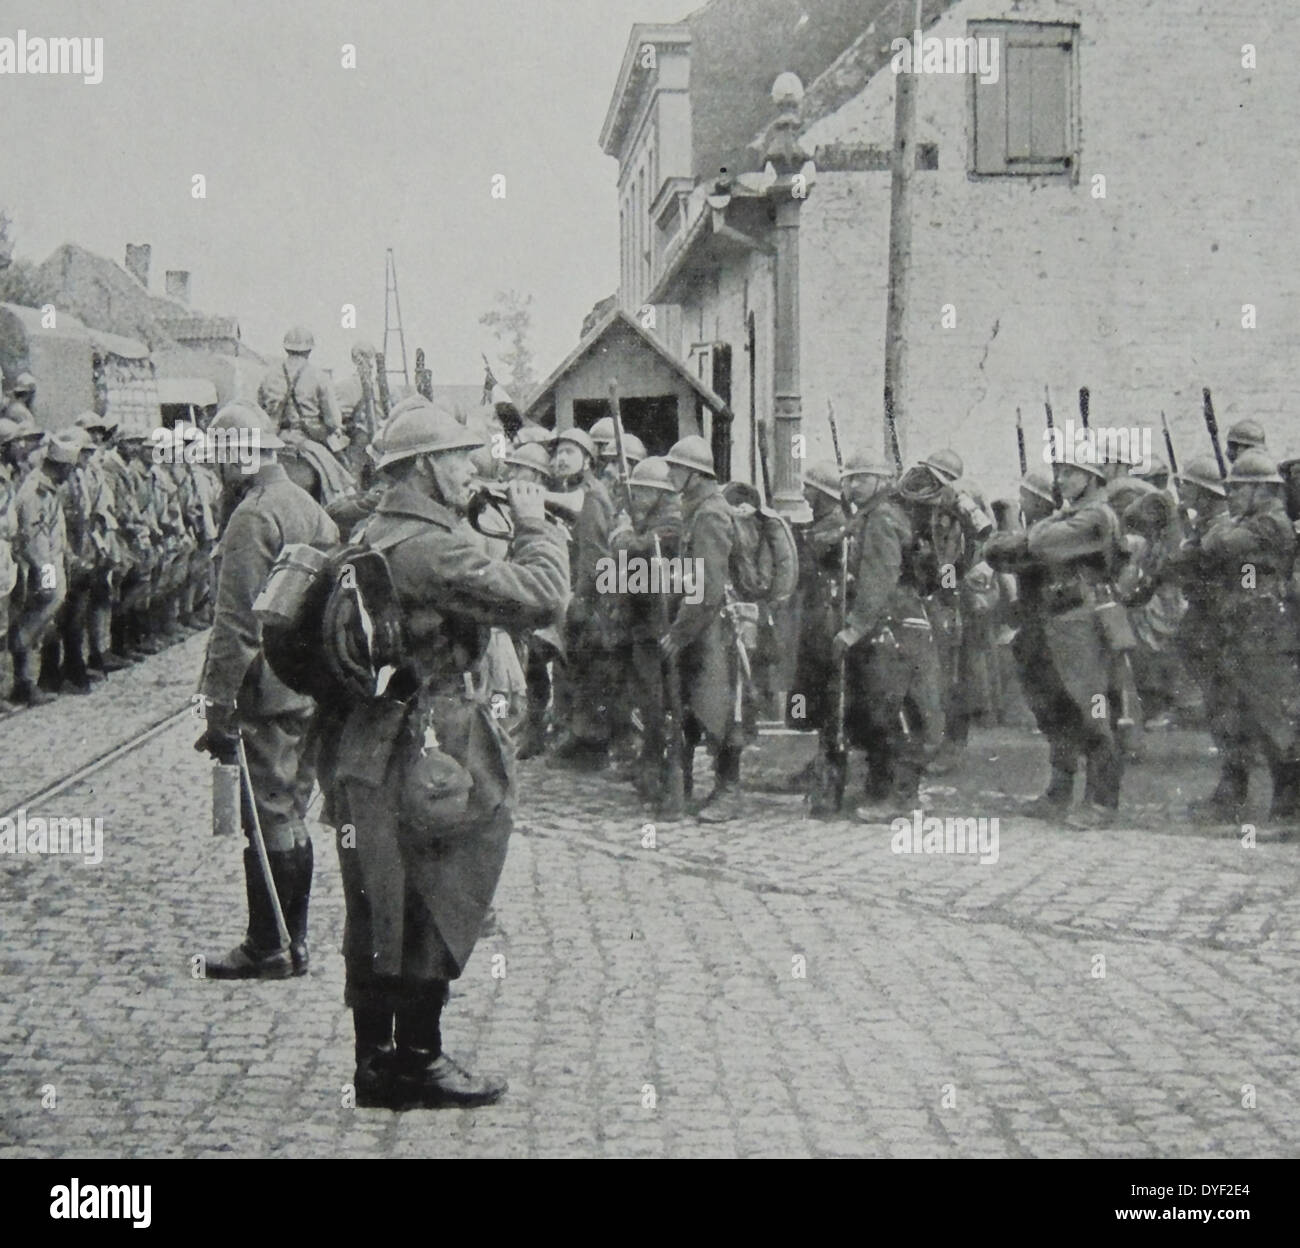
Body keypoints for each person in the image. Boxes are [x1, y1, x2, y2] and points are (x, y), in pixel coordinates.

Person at [318, 397, 569, 1109]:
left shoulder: (381, 529)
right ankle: (418, 1059)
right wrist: (536, 528)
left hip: (374, 738)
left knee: (379, 899)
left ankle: (376, 1062)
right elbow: (540, 598)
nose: (474, 466)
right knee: (443, 891)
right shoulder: (429, 548)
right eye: (460, 457)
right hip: (430, 740)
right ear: (425, 466)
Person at [195, 401, 339, 979]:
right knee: (291, 809)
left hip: (266, 691)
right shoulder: (307, 506)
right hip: (308, 687)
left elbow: (237, 625)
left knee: (267, 816)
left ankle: (268, 945)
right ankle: (293, 942)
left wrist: (217, 704)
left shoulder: (252, 517)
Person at [832, 456, 944, 821]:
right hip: (892, 623)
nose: (853, 486)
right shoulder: (878, 514)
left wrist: (855, 628)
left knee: (895, 710)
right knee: (881, 708)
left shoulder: (881, 517)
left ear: (882, 480)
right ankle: (882, 790)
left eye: (862, 479)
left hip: (892, 624)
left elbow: (879, 578)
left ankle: (901, 797)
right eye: (849, 480)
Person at [1193, 450, 1300, 827]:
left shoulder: (1271, 522)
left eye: (1239, 489)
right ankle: (1241, 795)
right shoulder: (1253, 519)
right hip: (1247, 627)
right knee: (1239, 712)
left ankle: (1290, 805)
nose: (1232, 496)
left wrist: (1223, 528)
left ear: (1261, 488)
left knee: (1273, 715)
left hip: (1268, 630)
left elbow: (1217, 544)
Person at [1023, 451, 1130, 827]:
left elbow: (1040, 543)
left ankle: (1101, 800)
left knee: (1095, 706)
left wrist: (1047, 522)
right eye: (1059, 473)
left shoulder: (1095, 515)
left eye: (1070, 473)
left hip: (1086, 621)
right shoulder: (1075, 513)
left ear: (1092, 477)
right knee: (1063, 707)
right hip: (1064, 619)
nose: (1061, 481)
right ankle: (1060, 789)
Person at [661, 434, 747, 822]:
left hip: (712, 626)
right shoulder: (696, 508)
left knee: (721, 709)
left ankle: (729, 791)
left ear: (695, 475)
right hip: (698, 621)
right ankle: (684, 787)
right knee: (692, 705)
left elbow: (708, 587)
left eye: (676, 469)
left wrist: (679, 633)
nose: (671, 475)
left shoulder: (711, 513)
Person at [608, 456, 684, 804]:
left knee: (657, 700)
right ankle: (649, 762)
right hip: (644, 621)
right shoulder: (653, 519)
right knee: (645, 697)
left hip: (661, 625)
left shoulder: (671, 522)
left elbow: (633, 552)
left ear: (659, 493)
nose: (635, 497)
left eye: (642, 491)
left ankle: (659, 766)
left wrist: (624, 531)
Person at [549, 426, 616, 769]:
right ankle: (583, 739)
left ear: (587, 459)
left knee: (591, 669)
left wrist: (582, 600)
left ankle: (592, 746)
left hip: (592, 596)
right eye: (558, 452)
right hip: (584, 590)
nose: (560, 459)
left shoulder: (590, 496)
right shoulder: (576, 491)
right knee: (579, 667)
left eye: (570, 453)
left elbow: (594, 555)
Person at [8, 427, 75, 706]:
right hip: (40, 567)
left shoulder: (48, 489)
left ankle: (31, 681)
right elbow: (34, 541)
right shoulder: (35, 492)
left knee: (41, 623)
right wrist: (47, 578)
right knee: (30, 625)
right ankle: (24, 683)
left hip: (52, 561)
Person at [257, 326, 345, 449]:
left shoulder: (269, 376)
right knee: (339, 466)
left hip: (273, 440)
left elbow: (258, 411)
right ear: (309, 350)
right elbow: (333, 421)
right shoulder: (320, 376)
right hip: (307, 440)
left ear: (286, 348)